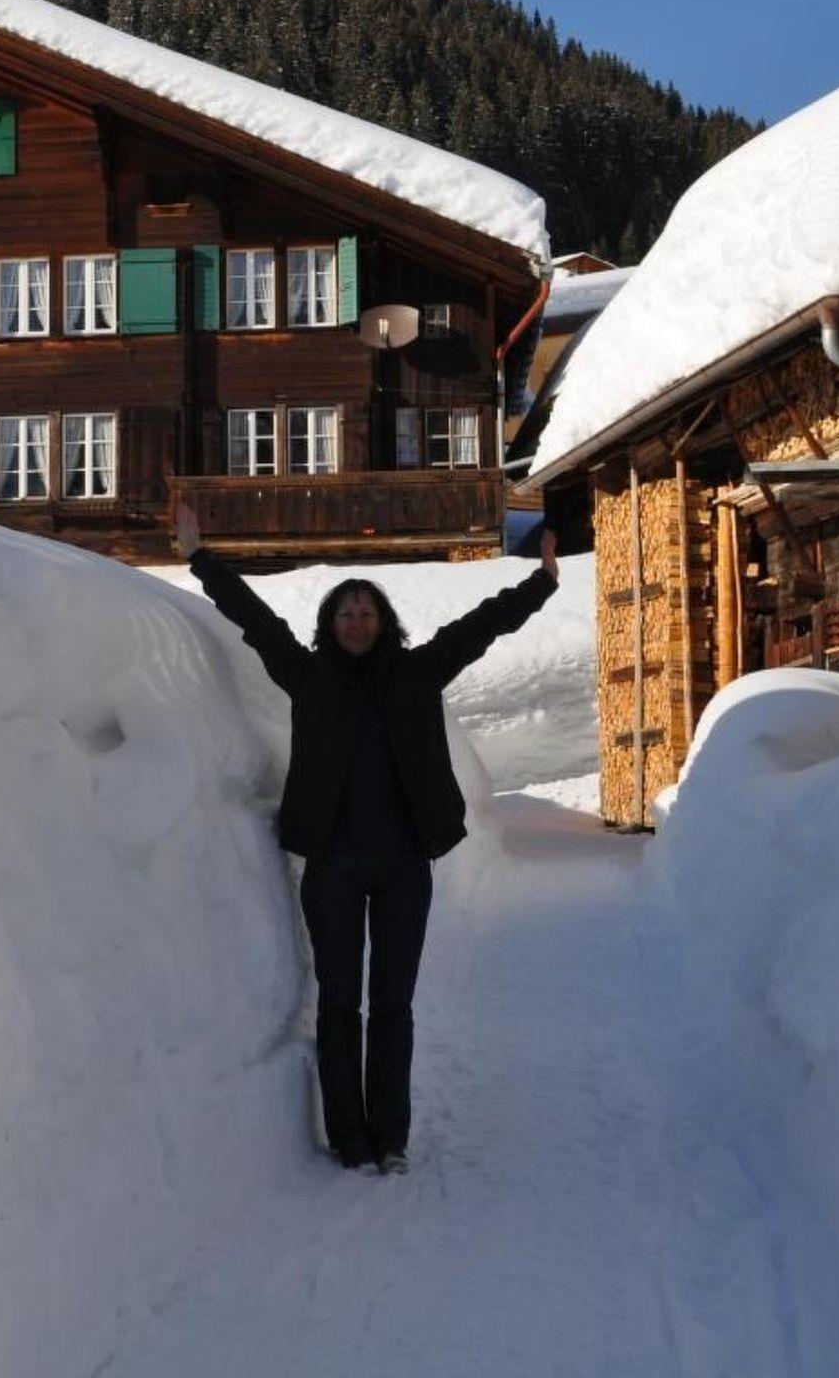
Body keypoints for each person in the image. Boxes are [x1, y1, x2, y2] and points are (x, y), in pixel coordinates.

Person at [176, 501, 559, 1175]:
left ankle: (391, 1136)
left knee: (392, 1006)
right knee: (339, 1004)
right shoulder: (307, 676)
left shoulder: (418, 672)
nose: (356, 622)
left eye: (366, 612)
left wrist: (542, 583)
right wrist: (199, 557)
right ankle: (349, 1135)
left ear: (384, 622)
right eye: (345, 613)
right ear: (330, 624)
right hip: (333, 868)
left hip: (405, 867)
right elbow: (253, 619)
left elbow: (482, 626)